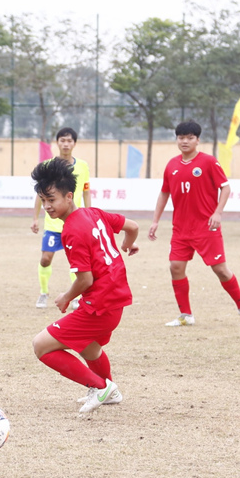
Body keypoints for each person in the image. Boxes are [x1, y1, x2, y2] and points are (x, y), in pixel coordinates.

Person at [30, 158, 139, 414]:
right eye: (43, 200)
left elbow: (85, 280)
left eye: (51, 199)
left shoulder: (71, 230)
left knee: (41, 345)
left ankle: (101, 387)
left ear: (69, 196)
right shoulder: (94, 213)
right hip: (114, 300)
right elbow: (132, 227)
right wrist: (128, 243)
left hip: (100, 304)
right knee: (89, 347)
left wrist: (66, 297)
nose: (47, 206)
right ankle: (109, 390)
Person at [149, 120, 240, 328]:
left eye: (190, 138)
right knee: (175, 267)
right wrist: (155, 221)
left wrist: (217, 213)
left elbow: (225, 188)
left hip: (206, 227)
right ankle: (186, 315)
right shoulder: (171, 165)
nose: (185, 141)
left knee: (221, 270)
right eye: (181, 138)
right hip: (181, 229)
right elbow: (164, 193)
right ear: (177, 140)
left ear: (197, 140)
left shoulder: (208, 162)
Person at [31, 127, 92, 308]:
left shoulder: (83, 166)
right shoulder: (48, 166)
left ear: (74, 143)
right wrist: (35, 218)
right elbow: (40, 194)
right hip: (53, 224)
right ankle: (43, 293)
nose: (66, 144)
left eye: (69, 141)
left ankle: (76, 296)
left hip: (75, 223)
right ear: (57, 143)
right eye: (62, 140)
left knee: (76, 261)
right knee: (45, 259)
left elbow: (86, 192)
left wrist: (89, 214)